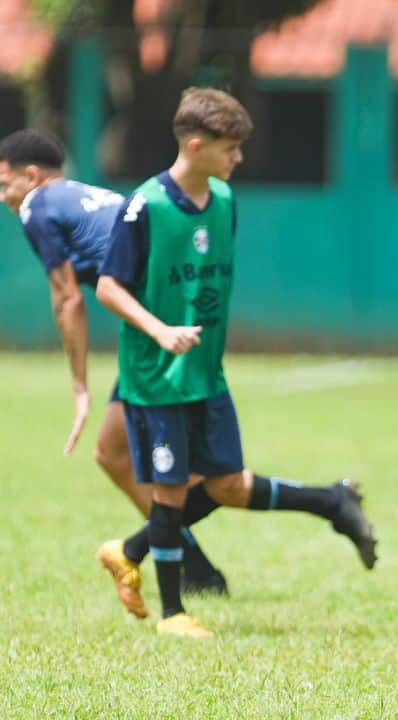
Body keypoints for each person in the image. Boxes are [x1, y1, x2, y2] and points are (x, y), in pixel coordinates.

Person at [94, 88, 378, 637]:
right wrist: (160, 330)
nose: (238, 159)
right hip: (158, 379)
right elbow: (108, 286)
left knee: (227, 483)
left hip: (206, 374)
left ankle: (127, 553)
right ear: (196, 145)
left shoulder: (224, 201)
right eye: (230, 149)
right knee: (172, 490)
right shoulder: (144, 206)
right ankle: (173, 614)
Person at [0, 128, 229, 593]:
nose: (3, 196)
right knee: (115, 452)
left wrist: (80, 387)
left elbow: (68, 300)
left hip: (158, 326)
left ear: (30, 176)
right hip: (179, 306)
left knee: (215, 473)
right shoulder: (83, 196)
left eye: (4, 184)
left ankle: (320, 501)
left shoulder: (36, 207)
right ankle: (196, 566)